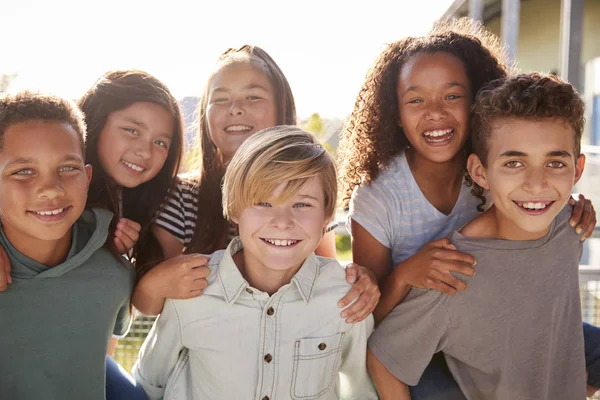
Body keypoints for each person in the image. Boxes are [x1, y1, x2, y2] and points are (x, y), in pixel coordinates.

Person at [338, 18, 597, 399]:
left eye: (452, 95)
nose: (435, 112)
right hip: (424, 343)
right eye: (416, 99)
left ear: (475, 101)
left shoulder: (505, 166)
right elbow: (372, 320)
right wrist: (407, 274)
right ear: (394, 112)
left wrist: (568, 207)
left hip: (506, 325)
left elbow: (539, 189)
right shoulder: (380, 196)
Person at [133, 45, 380, 324]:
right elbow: (147, 304)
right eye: (222, 99)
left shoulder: (309, 188)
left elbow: (327, 278)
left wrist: (359, 281)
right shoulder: (182, 196)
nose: (236, 109)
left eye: (252, 97)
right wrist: (154, 285)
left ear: (281, 109)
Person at [133, 126, 377, 400]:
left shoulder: (349, 298)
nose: (283, 222)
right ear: (235, 208)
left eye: (302, 205)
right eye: (263, 203)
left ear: (327, 214)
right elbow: (150, 382)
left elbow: (360, 391)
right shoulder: (191, 288)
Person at [0, 91, 136, 399]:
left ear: (87, 178)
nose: (50, 188)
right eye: (24, 171)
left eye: (67, 168)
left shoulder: (114, 273)